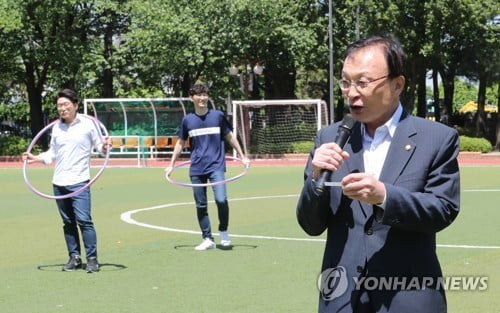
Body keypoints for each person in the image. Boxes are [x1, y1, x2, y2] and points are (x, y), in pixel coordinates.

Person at [296, 34, 460, 313]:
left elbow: (443, 209)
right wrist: (315, 180)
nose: (351, 92)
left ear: (397, 85)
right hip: (341, 297)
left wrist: (384, 196)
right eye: (346, 82)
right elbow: (311, 224)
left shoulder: (437, 138)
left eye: (362, 82)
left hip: (408, 297)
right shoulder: (330, 137)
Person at [22, 88, 111, 273]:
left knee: (84, 220)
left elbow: (101, 149)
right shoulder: (56, 127)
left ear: (75, 105)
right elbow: (52, 153)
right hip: (59, 182)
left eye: (65, 105)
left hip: (80, 181)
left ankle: (92, 259)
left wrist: (105, 145)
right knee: (68, 222)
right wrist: (35, 157)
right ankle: (74, 257)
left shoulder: (88, 124)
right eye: (59, 106)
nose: (62, 109)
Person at [166, 84, 249, 251]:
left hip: (216, 165)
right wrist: (171, 165)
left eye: (205, 95)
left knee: (221, 199)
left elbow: (230, 136)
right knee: (201, 205)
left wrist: (242, 155)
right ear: (192, 98)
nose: (202, 98)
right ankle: (207, 238)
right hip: (196, 167)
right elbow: (181, 143)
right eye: (199, 95)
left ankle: (224, 231)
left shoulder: (217, 116)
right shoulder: (187, 120)